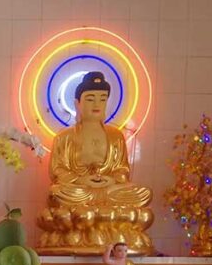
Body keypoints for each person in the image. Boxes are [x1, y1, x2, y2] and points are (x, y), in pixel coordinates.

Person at [37, 71, 154, 255]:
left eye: (102, 98)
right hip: (78, 192)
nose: (97, 104)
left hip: (109, 191)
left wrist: (111, 181)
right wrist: (82, 181)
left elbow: (122, 170)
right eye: (90, 99)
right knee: (56, 193)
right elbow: (57, 171)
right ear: (78, 103)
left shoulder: (116, 136)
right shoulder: (64, 137)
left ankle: (91, 225)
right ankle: (114, 230)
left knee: (142, 194)